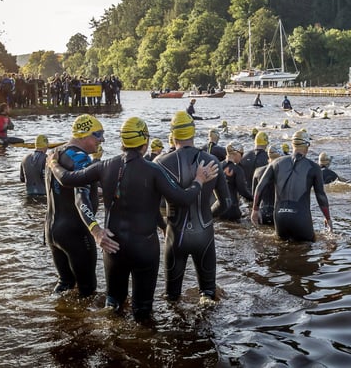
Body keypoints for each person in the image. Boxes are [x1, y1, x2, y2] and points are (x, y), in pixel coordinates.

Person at [47, 116, 218, 321]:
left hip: (113, 246)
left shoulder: (105, 166)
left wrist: (53, 163)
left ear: (123, 141)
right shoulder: (154, 170)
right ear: (145, 142)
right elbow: (183, 199)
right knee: (143, 311)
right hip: (144, 247)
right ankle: (141, 345)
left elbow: (67, 179)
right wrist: (199, 180)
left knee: (113, 306)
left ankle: (110, 345)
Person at [156, 111, 230, 305]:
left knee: (171, 298)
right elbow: (226, 203)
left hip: (175, 235)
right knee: (208, 295)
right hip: (204, 233)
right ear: (193, 132)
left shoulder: (160, 164)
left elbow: (152, 206)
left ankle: (174, 331)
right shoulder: (213, 161)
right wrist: (208, 218)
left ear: (172, 134)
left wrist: (164, 226)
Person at [44, 114, 106, 297]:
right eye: (98, 134)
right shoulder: (80, 159)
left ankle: (58, 319)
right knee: (88, 290)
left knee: (65, 283)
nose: (102, 139)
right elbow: (80, 198)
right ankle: (83, 325)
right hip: (75, 232)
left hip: (52, 230)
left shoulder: (55, 154)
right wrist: (94, 229)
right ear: (84, 135)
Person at [251, 130, 332, 242]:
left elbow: (260, 187)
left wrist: (255, 209)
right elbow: (321, 196)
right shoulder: (314, 167)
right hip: (300, 218)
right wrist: (327, 218)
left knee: (282, 249)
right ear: (307, 146)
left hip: (279, 218)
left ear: (292, 144)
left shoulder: (275, 163)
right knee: (308, 247)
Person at [212, 141, 252, 221]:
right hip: (232, 209)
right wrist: (254, 199)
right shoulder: (238, 169)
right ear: (236, 153)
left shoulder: (217, 166)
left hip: (217, 208)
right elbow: (242, 191)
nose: (242, 157)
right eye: (242, 154)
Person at [250, 145, 281, 225]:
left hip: (262, 211)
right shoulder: (283, 173)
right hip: (279, 212)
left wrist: (255, 210)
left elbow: (254, 194)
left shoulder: (258, 171)